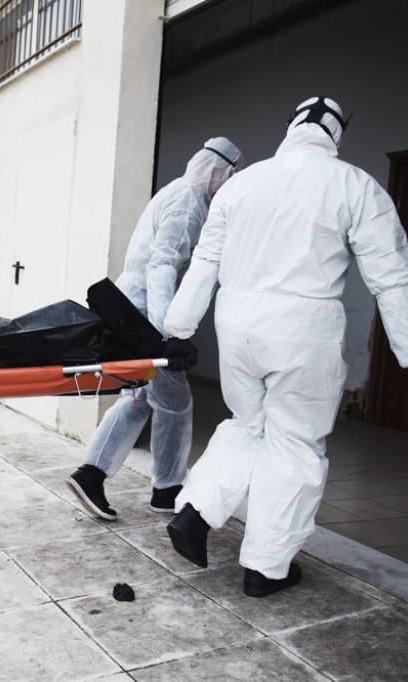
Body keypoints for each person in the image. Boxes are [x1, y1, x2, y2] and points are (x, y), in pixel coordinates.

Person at [163, 96, 408, 597]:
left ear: (291, 126)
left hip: (238, 326)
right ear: (337, 132)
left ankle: (195, 511)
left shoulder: (243, 184)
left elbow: (206, 260)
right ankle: (266, 569)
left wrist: (179, 326)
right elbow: (392, 278)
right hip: (303, 329)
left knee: (248, 424)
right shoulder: (355, 184)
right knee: (295, 443)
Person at [66, 137, 244, 521]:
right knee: (173, 401)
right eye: (231, 176)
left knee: (140, 398)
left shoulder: (176, 192)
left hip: (133, 309)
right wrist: (168, 335)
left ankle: (111, 477)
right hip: (145, 313)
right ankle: (157, 486)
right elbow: (161, 266)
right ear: (220, 172)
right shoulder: (189, 202)